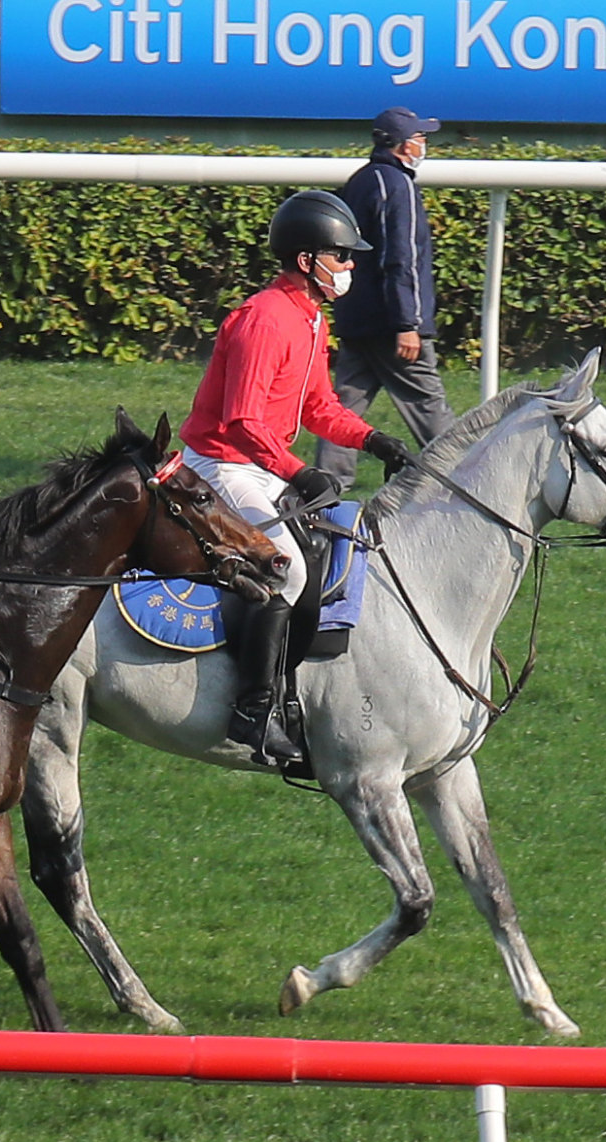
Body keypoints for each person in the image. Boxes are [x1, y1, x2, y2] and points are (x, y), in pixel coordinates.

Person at [179, 190, 412, 765]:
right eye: (343, 256)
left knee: (328, 558)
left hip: (257, 463)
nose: (351, 266)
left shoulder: (309, 319)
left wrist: (374, 438)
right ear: (307, 261)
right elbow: (243, 419)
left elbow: (318, 406)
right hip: (220, 463)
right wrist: (298, 471)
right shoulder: (264, 319)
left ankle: (289, 695)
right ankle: (253, 712)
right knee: (284, 571)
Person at [315, 106, 457, 489]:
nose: (424, 144)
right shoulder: (399, 186)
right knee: (429, 407)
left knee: (342, 409)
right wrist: (407, 324)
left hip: (355, 320)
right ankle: (469, 479)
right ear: (401, 146)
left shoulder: (360, 180)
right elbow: (401, 258)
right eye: (420, 138)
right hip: (392, 325)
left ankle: (324, 489)